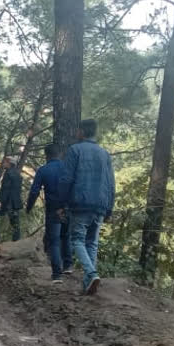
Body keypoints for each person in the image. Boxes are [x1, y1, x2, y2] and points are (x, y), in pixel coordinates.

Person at [64, 119, 115, 295]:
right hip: (100, 205)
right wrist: (109, 208)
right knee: (92, 243)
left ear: (82, 131)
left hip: (81, 203)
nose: (76, 133)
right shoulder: (104, 154)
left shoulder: (74, 150)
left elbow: (67, 179)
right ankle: (88, 282)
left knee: (77, 239)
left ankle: (92, 273)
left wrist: (62, 203)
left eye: (77, 130)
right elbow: (111, 183)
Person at [26, 143, 72, 283]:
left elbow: (34, 191)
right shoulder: (67, 168)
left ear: (46, 155)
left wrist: (29, 207)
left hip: (53, 209)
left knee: (54, 241)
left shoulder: (43, 170)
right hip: (68, 208)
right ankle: (68, 265)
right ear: (59, 154)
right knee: (66, 236)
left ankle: (57, 274)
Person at [0, 156, 23, 242]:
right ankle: (16, 244)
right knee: (15, 225)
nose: (3, 163)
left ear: (9, 163)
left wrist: (0, 201)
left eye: (4, 162)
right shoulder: (17, 174)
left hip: (7, 202)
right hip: (15, 203)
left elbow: (5, 189)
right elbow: (18, 190)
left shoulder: (8, 174)